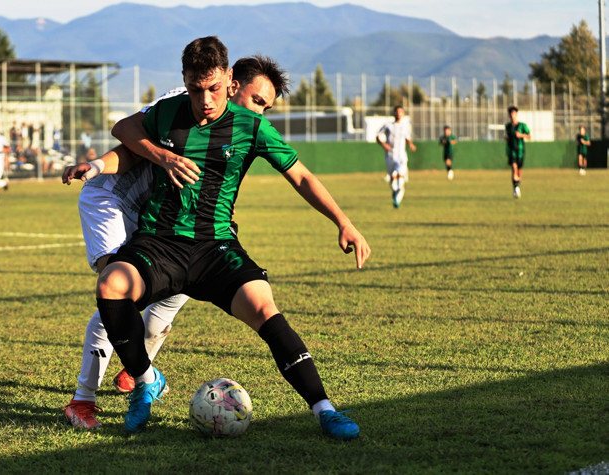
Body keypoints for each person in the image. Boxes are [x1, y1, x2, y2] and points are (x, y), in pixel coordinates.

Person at [89, 37, 370, 440]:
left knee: (264, 306)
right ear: (185, 81)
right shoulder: (167, 112)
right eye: (195, 89)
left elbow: (302, 175)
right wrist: (104, 164)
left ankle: (325, 410)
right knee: (111, 286)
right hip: (159, 243)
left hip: (215, 247)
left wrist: (343, 221)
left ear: (230, 80)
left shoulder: (251, 126)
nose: (204, 99)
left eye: (214, 89)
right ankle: (145, 379)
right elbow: (127, 138)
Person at [60, 55, 283, 431]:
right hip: (112, 201)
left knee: (177, 287)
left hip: (161, 216)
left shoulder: (238, 126)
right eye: (257, 100)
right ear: (232, 83)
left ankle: (137, 371)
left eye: (268, 107)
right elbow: (130, 138)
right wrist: (100, 164)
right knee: (117, 296)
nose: (261, 112)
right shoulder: (186, 98)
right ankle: (84, 400)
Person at [376, 105, 416, 208]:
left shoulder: (405, 126)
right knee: (392, 178)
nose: (399, 114)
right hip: (390, 155)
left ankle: (397, 199)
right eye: (397, 111)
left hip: (401, 155)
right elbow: (378, 136)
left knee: (400, 175)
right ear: (394, 113)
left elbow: (408, 138)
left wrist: (410, 144)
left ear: (403, 114)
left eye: (401, 112)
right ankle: (395, 191)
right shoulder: (388, 125)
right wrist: (383, 144)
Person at [504, 105, 531, 198]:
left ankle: (517, 185)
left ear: (516, 114)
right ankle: (516, 188)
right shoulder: (508, 126)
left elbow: (529, 136)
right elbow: (507, 136)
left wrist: (521, 135)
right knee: (514, 168)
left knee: (519, 171)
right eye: (511, 113)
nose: (512, 115)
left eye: (514, 113)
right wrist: (507, 138)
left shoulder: (522, 125)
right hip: (512, 151)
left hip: (520, 150)